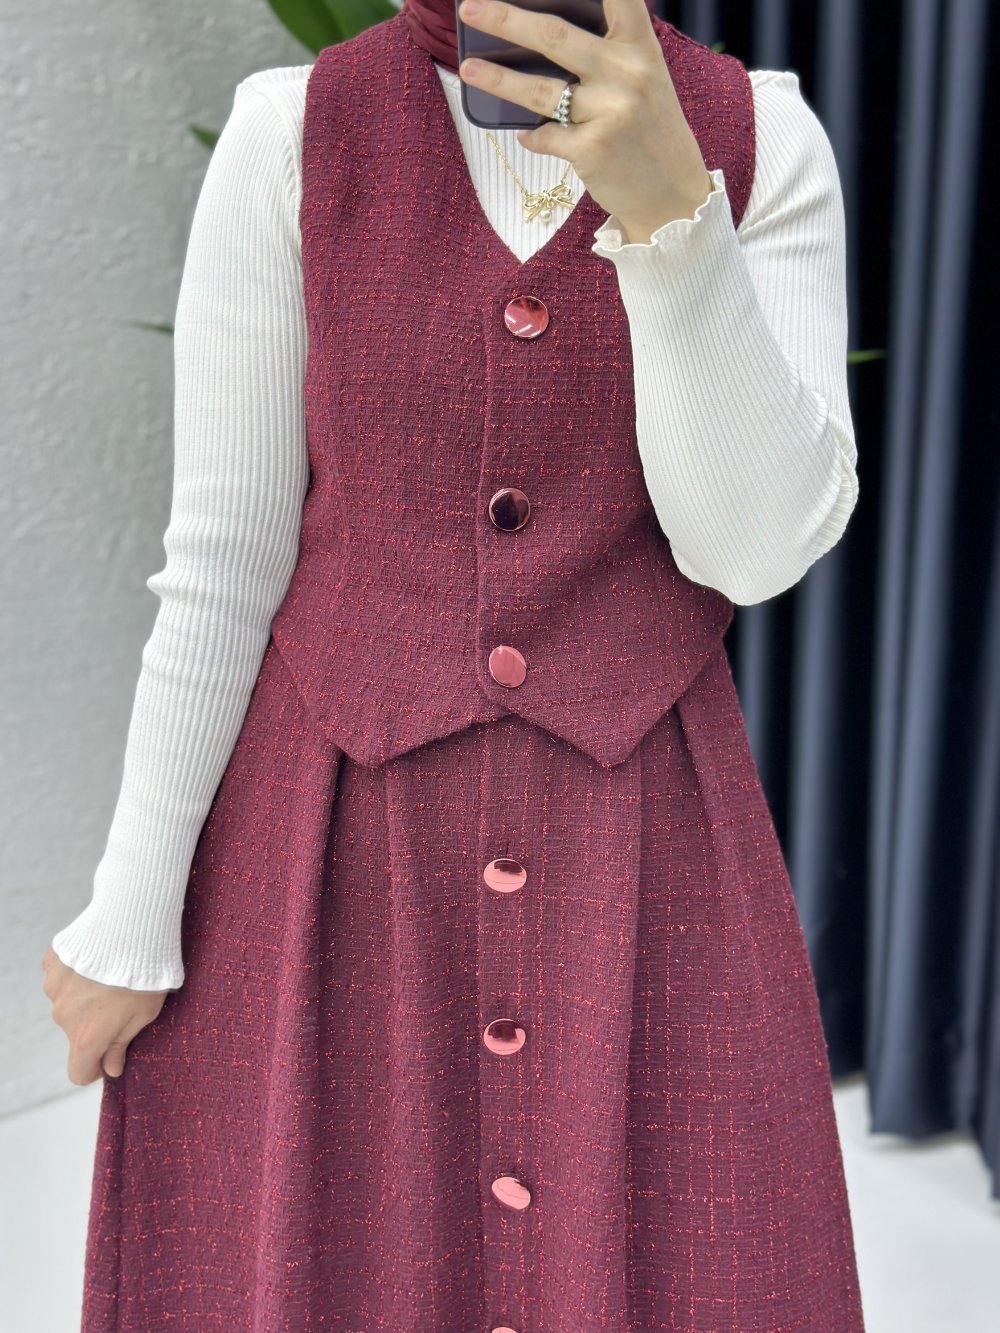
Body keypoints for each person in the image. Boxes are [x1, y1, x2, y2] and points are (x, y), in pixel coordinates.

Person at [42, 0, 867, 1327]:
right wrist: (134, 914)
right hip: (331, 861)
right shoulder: (288, 134)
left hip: (646, 859)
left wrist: (671, 221)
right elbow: (224, 557)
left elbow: (752, 548)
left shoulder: (763, 137)